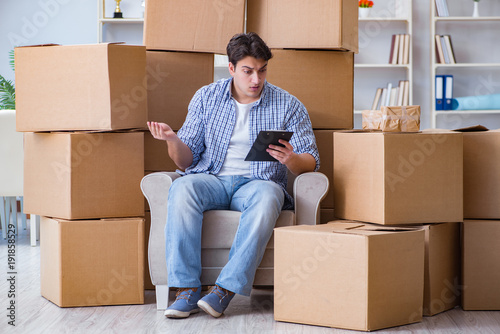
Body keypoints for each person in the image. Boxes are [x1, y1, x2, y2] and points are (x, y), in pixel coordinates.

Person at [147, 32, 320, 319]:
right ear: (231, 68)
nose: (256, 80)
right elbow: (185, 161)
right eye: (248, 71)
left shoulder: (288, 104)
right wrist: (172, 140)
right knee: (182, 189)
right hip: (211, 178)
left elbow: (311, 161)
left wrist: (291, 159)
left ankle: (223, 290)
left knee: (268, 197)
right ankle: (187, 290)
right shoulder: (206, 97)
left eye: (262, 70)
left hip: (258, 183)